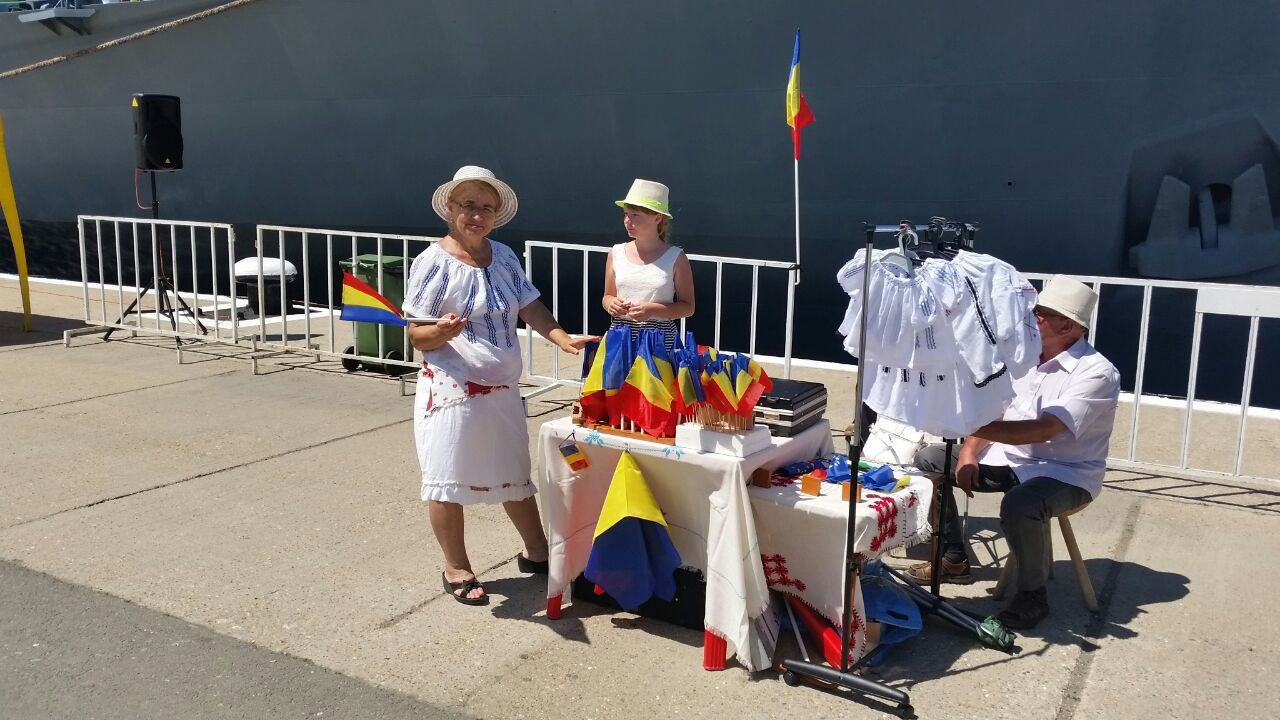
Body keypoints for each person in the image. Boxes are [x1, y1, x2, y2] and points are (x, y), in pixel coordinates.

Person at [403, 165, 595, 606]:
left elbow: (530, 306)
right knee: (446, 478)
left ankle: (537, 551)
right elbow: (417, 335)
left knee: (514, 474)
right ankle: (456, 566)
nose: (477, 215)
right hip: (451, 389)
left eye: (486, 208)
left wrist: (562, 338)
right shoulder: (432, 262)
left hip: (502, 389)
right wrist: (443, 333)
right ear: (450, 208)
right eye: (468, 205)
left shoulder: (504, 256)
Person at [907, 275, 1121, 629]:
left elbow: (1044, 429)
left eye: (1039, 313)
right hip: (1012, 461)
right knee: (930, 459)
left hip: (1066, 473)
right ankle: (953, 558)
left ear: (1065, 324)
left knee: (1021, 503)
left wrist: (969, 429)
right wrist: (968, 453)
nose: (1030, 318)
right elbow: (998, 411)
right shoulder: (1024, 358)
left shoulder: (1097, 373)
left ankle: (1032, 597)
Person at [601, 179, 695, 348]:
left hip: (660, 342)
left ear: (657, 218)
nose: (627, 221)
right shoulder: (616, 253)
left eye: (635, 215)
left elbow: (688, 307)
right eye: (625, 214)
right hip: (620, 338)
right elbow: (607, 296)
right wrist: (610, 304)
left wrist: (653, 310)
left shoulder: (676, 257)